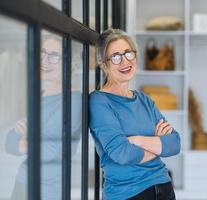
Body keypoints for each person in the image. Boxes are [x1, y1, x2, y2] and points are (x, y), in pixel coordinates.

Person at [89, 28, 181, 200]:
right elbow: (122, 153)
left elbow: (174, 143)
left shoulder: (144, 100)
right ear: (104, 64)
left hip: (164, 188)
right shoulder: (99, 101)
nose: (124, 61)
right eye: (115, 57)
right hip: (128, 193)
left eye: (128, 53)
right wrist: (157, 145)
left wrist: (137, 140)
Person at [5, 36, 82, 200]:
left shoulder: (73, 100)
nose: (44, 60)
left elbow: (50, 151)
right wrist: (25, 138)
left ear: (70, 63)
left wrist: (25, 136)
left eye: (54, 56)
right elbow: (9, 142)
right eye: (43, 52)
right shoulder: (41, 94)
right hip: (24, 181)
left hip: (46, 191)